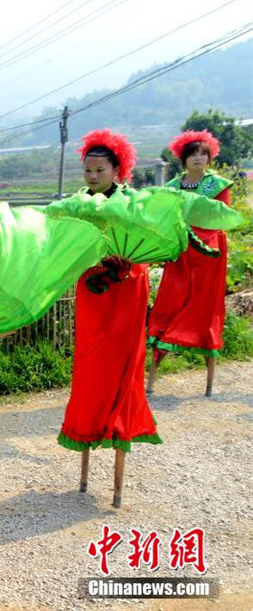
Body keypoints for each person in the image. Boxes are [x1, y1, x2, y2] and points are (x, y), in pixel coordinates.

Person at [57, 130, 162, 508]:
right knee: (91, 366)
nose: (92, 176)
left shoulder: (133, 204)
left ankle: (120, 437)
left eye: (99, 170)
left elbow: (146, 247)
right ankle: (86, 433)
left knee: (124, 367)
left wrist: (124, 266)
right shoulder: (78, 205)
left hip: (128, 290)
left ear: (118, 170)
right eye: (88, 170)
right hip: (93, 292)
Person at [147, 130, 233, 396]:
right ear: (183, 159)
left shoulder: (218, 185)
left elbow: (221, 218)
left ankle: (208, 376)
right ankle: (154, 371)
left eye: (203, 154)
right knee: (171, 300)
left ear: (210, 157)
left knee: (205, 305)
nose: (198, 158)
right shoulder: (173, 187)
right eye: (192, 154)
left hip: (208, 254)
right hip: (180, 251)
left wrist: (196, 233)